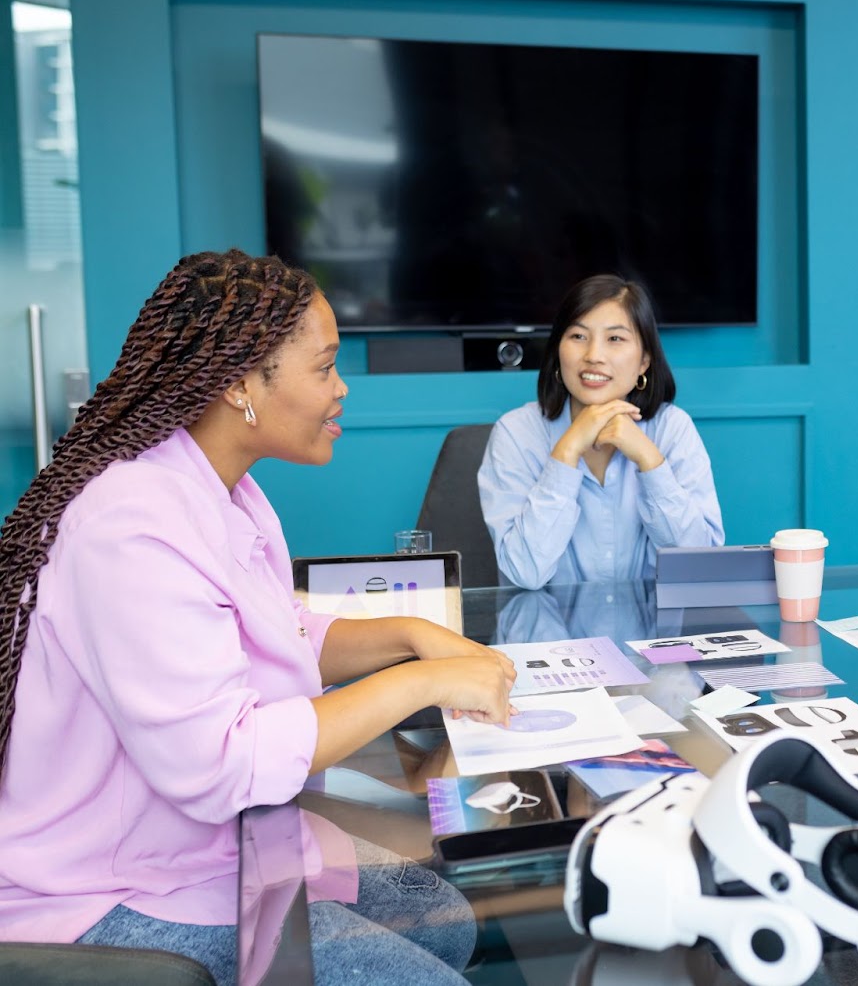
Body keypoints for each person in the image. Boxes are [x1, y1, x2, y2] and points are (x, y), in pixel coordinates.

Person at [0, 250, 517, 985]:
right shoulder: (129, 529)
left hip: (224, 843)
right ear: (242, 383)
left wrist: (410, 635)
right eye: (324, 367)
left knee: (446, 919)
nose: (342, 389)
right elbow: (227, 762)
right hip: (108, 886)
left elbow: (270, 628)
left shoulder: (217, 488)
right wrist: (425, 681)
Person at [479, 273, 724, 589]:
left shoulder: (672, 428)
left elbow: (700, 569)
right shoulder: (515, 433)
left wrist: (650, 461)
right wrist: (565, 453)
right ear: (558, 352)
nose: (593, 355)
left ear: (644, 361)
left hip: (653, 637)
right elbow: (525, 572)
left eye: (615, 339)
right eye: (578, 336)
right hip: (550, 635)